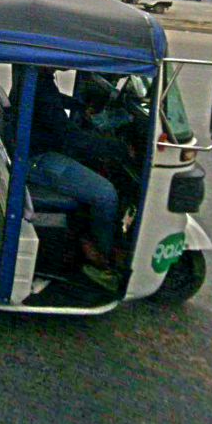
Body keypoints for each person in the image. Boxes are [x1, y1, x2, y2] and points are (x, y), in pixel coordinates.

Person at [25, 67, 128, 292]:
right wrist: (118, 148)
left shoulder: (38, 77)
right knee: (106, 194)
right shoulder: (38, 79)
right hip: (37, 160)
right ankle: (102, 259)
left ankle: (86, 235)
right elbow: (70, 136)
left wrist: (78, 105)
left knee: (90, 167)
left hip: (35, 151)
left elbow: (52, 103)